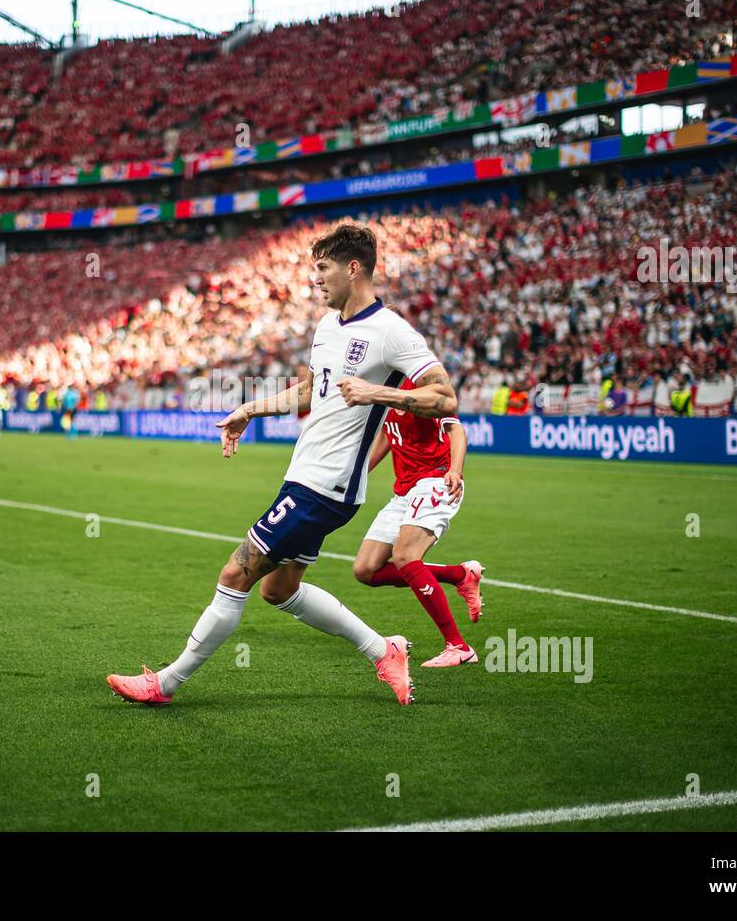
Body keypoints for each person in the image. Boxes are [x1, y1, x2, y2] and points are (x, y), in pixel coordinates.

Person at [106, 223, 458, 707]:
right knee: (279, 589)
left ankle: (165, 683)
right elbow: (312, 392)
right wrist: (249, 409)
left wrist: (381, 392)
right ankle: (385, 650)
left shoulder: (391, 331)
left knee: (234, 574)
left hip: (326, 488)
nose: (316, 279)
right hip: (306, 478)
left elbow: (444, 398)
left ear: (353, 268)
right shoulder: (326, 327)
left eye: (323, 268)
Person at [351, 377, 483, 667]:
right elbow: (389, 433)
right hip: (404, 491)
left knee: (405, 557)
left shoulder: (421, 383)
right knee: (365, 570)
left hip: (436, 481)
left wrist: (456, 470)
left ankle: (458, 646)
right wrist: (359, 472)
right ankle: (458, 575)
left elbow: (456, 430)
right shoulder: (382, 386)